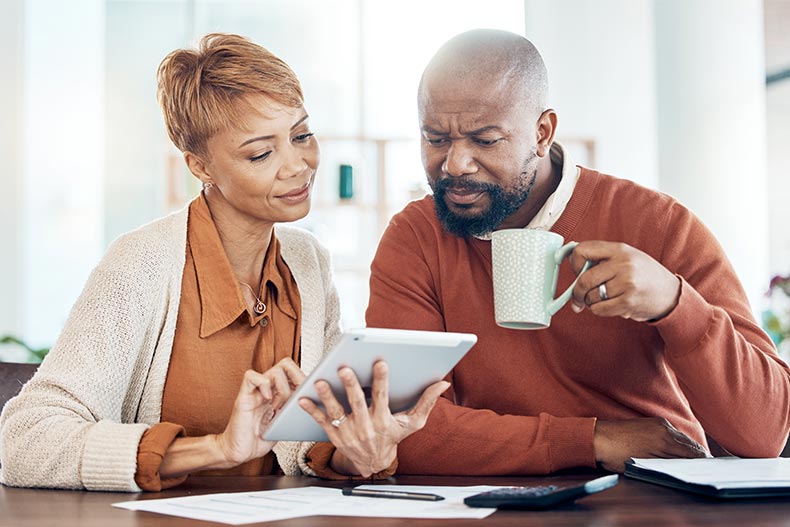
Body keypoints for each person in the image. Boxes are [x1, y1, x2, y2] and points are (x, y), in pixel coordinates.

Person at [0, 33, 447, 491]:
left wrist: (357, 452)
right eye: (260, 153)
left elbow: (306, 439)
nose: (298, 165)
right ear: (200, 166)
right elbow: (26, 441)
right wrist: (217, 448)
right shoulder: (140, 265)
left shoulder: (306, 261)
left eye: (302, 135)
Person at [366, 29, 790, 475]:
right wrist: (590, 439)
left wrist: (673, 303)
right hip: (492, 499)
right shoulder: (414, 236)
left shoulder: (659, 225)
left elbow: (764, 433)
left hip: (652, 496)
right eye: (435, 139)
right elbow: (401, 428)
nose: (455, 165)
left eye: (485, 141)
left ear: (542, 132)